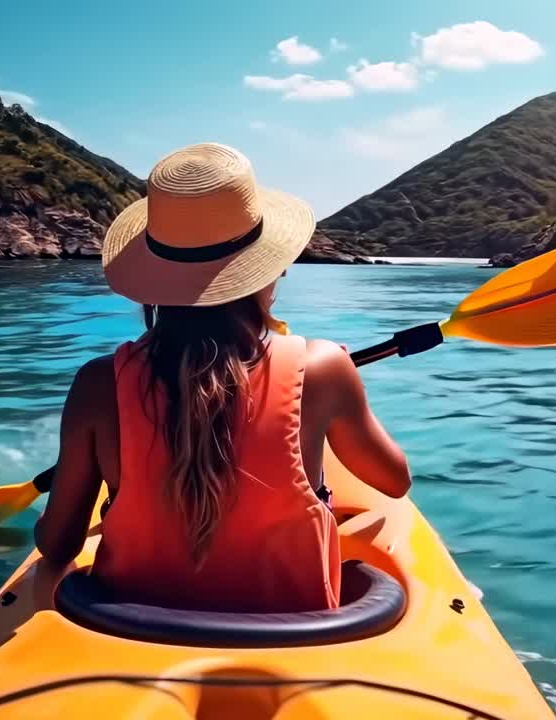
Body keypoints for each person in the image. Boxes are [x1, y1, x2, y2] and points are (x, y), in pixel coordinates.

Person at [35, 143, 410, 612]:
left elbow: (57, 545)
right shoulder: (324, 369)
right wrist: (342, 394)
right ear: (267, 269)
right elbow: (394, 482)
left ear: (153, 278)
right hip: (294, 635)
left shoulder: (97, 383)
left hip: (134, 633)